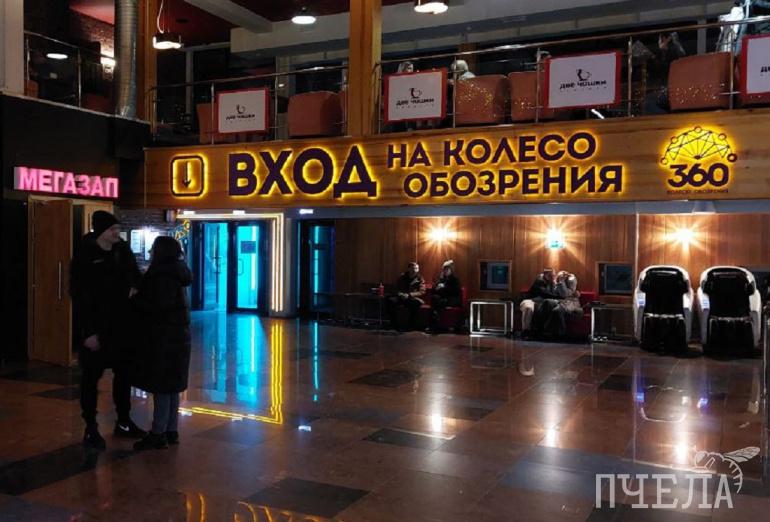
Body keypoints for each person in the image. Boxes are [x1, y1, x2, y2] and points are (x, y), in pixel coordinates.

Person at [70, 211, 145, 449]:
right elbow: (79, 296)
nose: (117, 233)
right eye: (113, 229)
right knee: (91, 378)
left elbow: (136, 276)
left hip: (121, 326)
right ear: (101, 232)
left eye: (117, 229)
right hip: (96, 327)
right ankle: (90, 426)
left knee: (124, 375)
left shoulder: (122, 251)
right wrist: (88, 332)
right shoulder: (85, 255)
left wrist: (134, 286)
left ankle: (123, 421)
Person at [131, 236, 193, 451]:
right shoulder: (179, 271)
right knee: (172, 386)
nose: (150, 251)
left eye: (153, 248)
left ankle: (158, 433)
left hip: (163, 337)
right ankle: (171, 430)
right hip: (179, 336)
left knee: (162, 386)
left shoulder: (162, 275)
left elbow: (158, 306)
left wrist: (136, 300)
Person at [643, 32, 686, 114]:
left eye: (660, 39)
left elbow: (666, 68)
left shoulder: (674, 51)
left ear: (665, 39)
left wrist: (653, 58)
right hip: (670, 89)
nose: (659, 42)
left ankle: (666, 117)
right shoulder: (667, 53)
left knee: (648, 101)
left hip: (674, 90)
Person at [520, 268, 559, 338]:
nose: (553, 277)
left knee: (549, 306)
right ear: (546, 275)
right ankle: (525, 332)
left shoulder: (552, 282)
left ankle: (542, 332)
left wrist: (555, 284)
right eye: (551, 275)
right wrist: (560, 297)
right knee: (528, 308)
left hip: (541, 302)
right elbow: (545, 294)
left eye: (554, 275)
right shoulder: (540, 280)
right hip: (530, 300)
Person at [542, 271, 583, 338]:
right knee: (547, 302)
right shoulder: (556, 284)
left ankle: (558, 334)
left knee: (557, 310)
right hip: (562, 303)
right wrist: (556, 282)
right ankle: (541, 330)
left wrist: (561, 281)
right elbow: (554, 293)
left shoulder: (570, 283)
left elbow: (564, 294)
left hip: (571, 306)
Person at [388, 262, 426, 331]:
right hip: (401, 297)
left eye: (417, 268)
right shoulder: (402, 277)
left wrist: (409, 295)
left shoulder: (420, 279)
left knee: (415, 304)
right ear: (409, 269)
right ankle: (393, 324)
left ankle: (411, 326)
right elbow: (395, 288)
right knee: (390, 301)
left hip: (411, 298)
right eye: (413, 268)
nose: (415, 270)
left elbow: (422, 291)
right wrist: (400, 294)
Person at [428, 260, 462, 332]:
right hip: (444, 298)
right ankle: (433, 323)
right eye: (444, 270)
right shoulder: (442, 279)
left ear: (451, 271)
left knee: (440, 302)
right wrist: (437, 287)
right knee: (434, 298)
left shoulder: (455, 279)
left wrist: (444, 287)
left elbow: (455, 291)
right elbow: (434, 289)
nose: (445, 271)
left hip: (453, 299)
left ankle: (436, 325)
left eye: (447, 270)